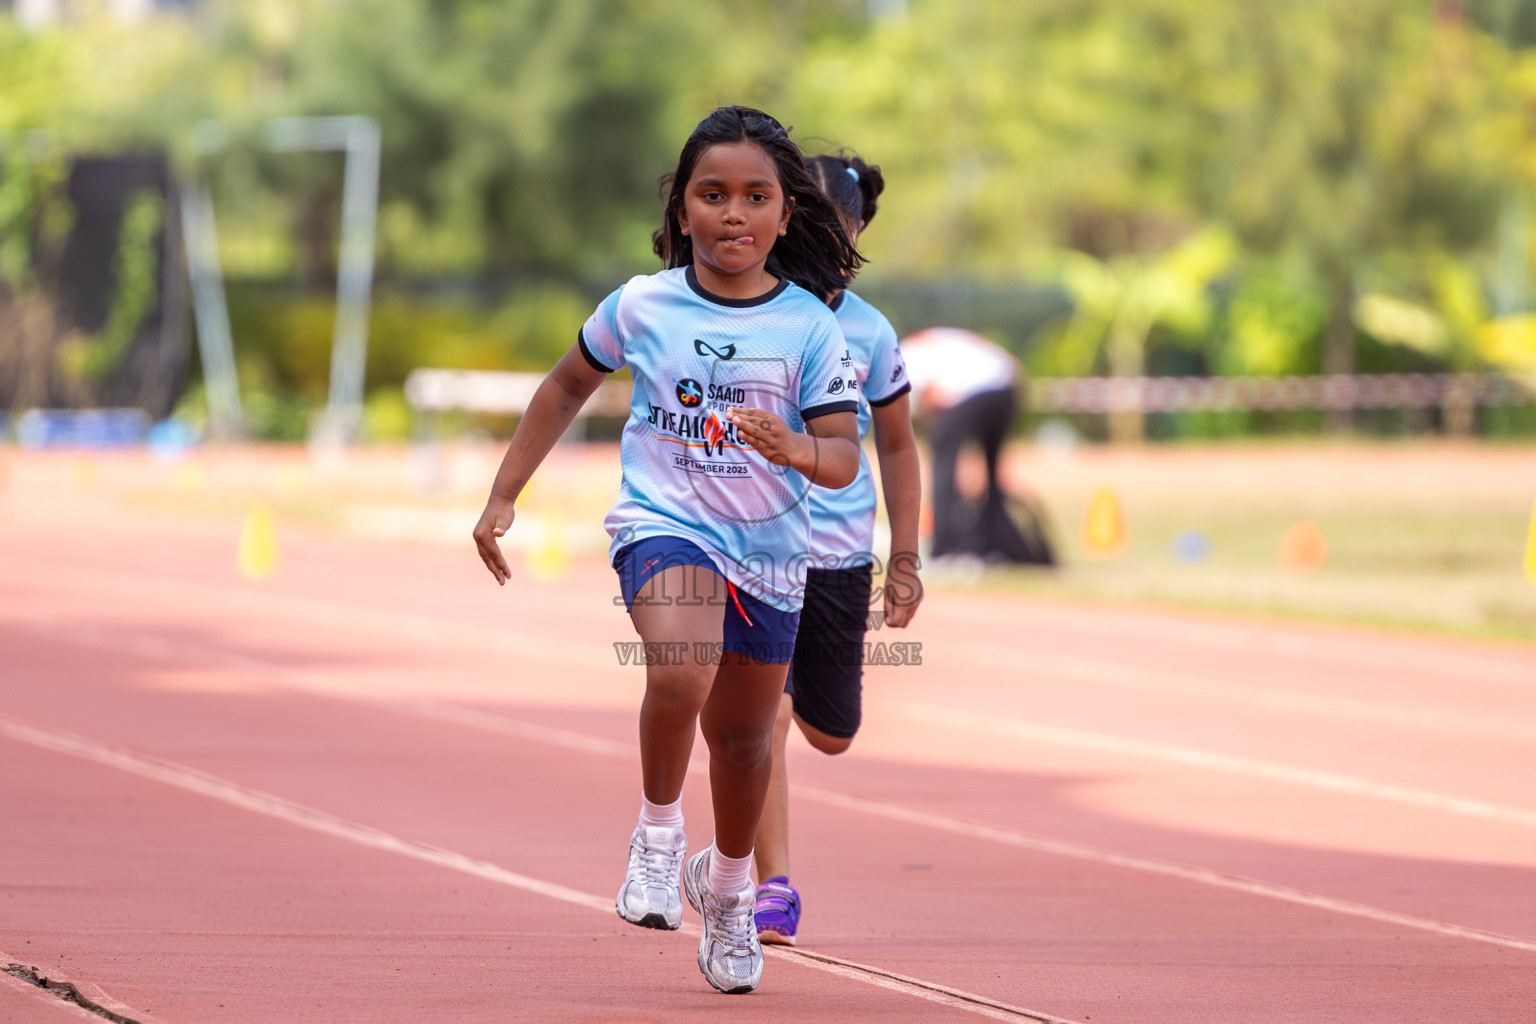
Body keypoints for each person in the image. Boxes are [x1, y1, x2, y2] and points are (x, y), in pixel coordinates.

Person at [472, 106, 863, 995]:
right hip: (664, 523)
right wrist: (504, 493)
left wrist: (798, 448)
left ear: (784, 216)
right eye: (712, 195)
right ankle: (656, 835)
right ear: (680, 209)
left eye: (754, 196)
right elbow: (566, 383)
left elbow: (843, 455)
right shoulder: (643, 304)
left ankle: (727, 895)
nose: (734, 214)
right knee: (683, 665)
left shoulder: (808, 328)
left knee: (744, 741)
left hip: (769, 548)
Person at [750, 151, 923, 947]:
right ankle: (770, 888)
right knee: (768, 716)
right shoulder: (750, 310)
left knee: (832, 730)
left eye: (836, 225)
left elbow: (896, 447)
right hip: (754, 548)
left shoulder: (871, 332)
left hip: (842, 556)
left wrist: (907, 559)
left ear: (854, 233)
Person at [899, 327, 1047, 562]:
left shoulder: (903, 354)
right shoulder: (945, 338)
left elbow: (931, 397)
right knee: (991, 471)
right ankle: (991, 542)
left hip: (970, 392)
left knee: (943, 467)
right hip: (1005, 388)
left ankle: (944, 547)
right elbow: (1012, 365)